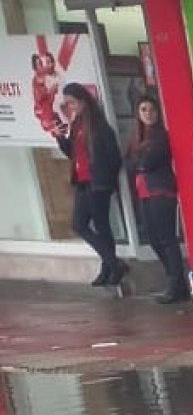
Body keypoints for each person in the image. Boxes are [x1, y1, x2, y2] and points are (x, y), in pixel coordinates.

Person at [55, 83, 123, 290]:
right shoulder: (76, 126)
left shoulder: (99, 126)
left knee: (100, 225)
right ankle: (112, 264)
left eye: (72, 103)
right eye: (66, 104)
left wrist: (106, 179)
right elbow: (73, 154)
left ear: (83, 102)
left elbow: (114, 157)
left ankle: (111, 266)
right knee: (80, 224)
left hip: (98, 183)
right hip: (83, 181)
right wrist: (60, 137)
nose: (70, 107)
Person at [124, 91, 188, 305]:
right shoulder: (137, 137)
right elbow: (131, 163)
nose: (148, 114)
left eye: (152, 110)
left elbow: (147, 162)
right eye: (144, 110)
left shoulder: (160, 136)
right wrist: (137, 162)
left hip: (161, 192)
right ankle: (176, 281)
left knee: (166, 238)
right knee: (153, 238)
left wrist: (138, 162)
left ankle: (176, 284)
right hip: (144, 192)